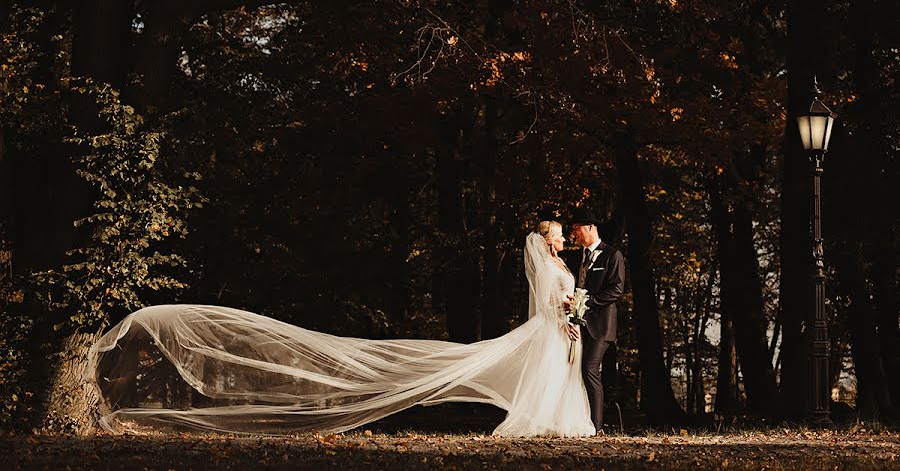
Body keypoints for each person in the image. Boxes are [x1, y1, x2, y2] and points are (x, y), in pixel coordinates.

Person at [87, 221, 595, 437]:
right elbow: (551, 301)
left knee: (556, 377)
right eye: (558, 236)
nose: (562, 241)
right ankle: (542, 421)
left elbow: (561, 301)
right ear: (549, 244)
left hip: (561, 329)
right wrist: (567, 315)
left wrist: (574, 312)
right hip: (555, 329)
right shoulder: (551, 268)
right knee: (541, 373)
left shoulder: (557, 264)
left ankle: (564, 422)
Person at [562, 206, 626, 435]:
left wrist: (585, 303)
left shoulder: (612, 255)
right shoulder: (574, 257)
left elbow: (616, 290)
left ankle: (597, 427)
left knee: (589, 368)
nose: (574, 234)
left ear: (590, 228)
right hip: (578, 324)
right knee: (576, 370)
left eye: (577, 229)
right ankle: (581, 422)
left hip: (601, 326)